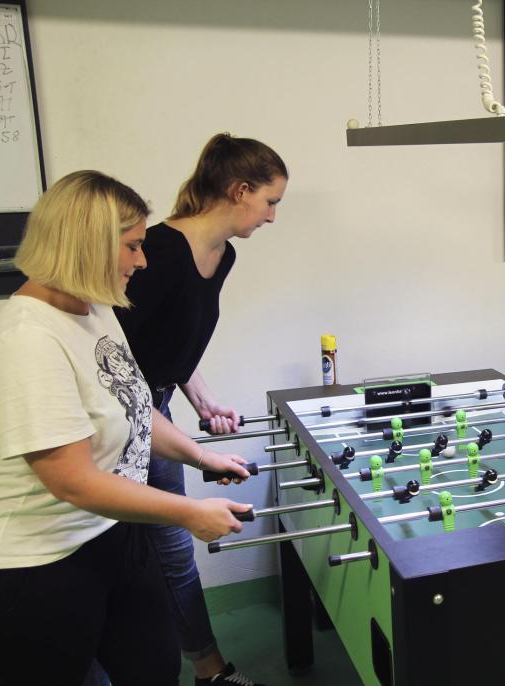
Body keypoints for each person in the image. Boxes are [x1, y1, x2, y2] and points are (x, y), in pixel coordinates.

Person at [0, 171, 252, 685]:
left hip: (110, 534)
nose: (142, 261)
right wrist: (191, 513)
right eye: (132, 246)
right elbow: (71, 479)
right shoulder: (26, 340)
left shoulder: (95, 310)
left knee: (153, 666)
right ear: (87, 245)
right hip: (36, 564)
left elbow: (133, 405)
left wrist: (199, 456)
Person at [110, 133, 287, 686]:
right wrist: (186, 447)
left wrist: (205, 401)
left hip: (153, 408)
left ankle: (209, 670)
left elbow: (172, 343)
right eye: (270, 201)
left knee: (167, 551)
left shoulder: (223, 254)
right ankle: (202, 669)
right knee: (154, 551)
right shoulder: (157, 253)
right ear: (239, 190)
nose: (272, 217)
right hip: (117, 416)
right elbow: (118, 361)